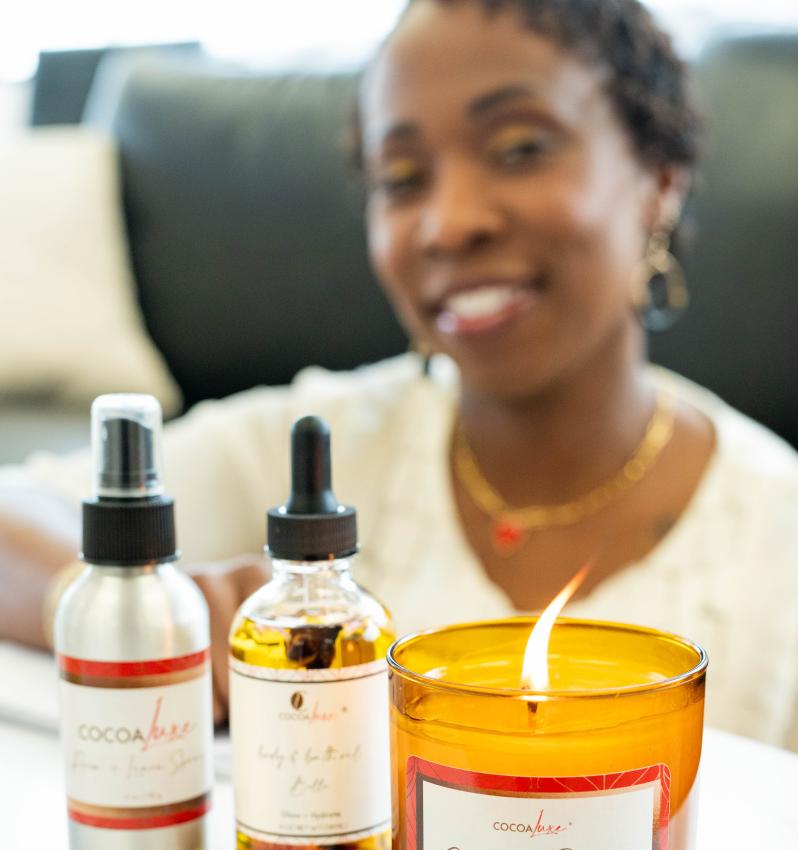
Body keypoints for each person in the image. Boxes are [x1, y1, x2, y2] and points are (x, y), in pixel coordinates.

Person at [1, 0, 797, 746]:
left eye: (520, 149)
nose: (447, 224)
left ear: (659, 180)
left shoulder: (776, 529)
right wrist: (128, 610)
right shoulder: (315, 447)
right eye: (403, 179)